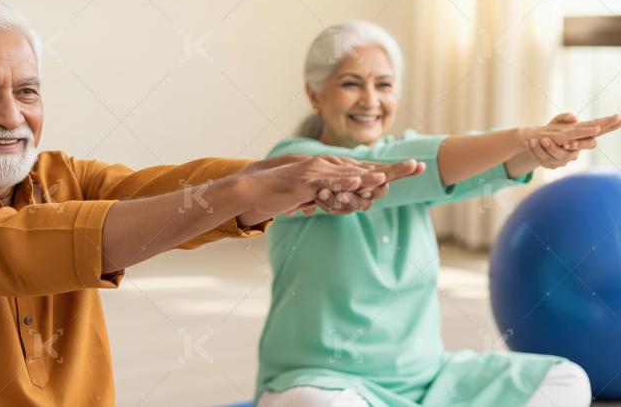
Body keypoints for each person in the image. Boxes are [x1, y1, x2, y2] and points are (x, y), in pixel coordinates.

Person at [0, 1, 424, 406]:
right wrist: (246, 191)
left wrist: (285, 176)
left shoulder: (60, 175)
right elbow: (13, 244)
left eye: (27, 91)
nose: (11, 116)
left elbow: (169, 191)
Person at [255, 20, 621, 407]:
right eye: (351, 83)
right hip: (323, 382)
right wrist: (520, 138)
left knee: (565, 380)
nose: (370, 99)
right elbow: (414, 166)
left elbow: (470, 169)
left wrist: (537, 148)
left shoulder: (410, 162)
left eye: (383, 84)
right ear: (315, 95)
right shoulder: (291, 164)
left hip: (429, 382)